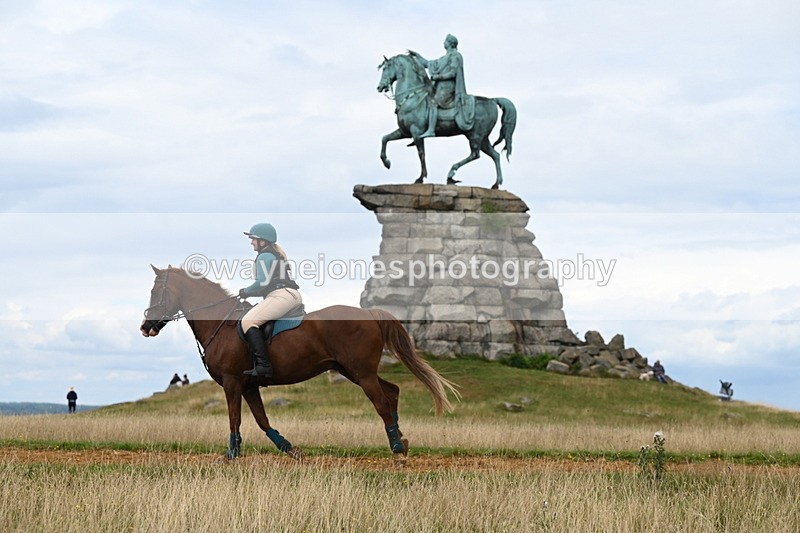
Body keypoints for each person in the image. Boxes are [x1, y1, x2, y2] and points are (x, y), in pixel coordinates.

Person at [238, 223, 302, 378]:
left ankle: (264, 366)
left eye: (253, 239)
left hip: (281, 295)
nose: (251, 242)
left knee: (247, 322)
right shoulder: (273, 254)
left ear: (263, 241)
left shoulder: (265, 256)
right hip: (286, 294)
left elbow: (262, 283)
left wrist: (245, 292)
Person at [408, 34, 475, 137]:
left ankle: (431, 130)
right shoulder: (444, 58)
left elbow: (453, 73)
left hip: (448, 88)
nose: (443, 43)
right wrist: (417, 56)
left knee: (433, 102)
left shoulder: (455, 56)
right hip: (440, 87)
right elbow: (427, 64)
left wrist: (438, 77)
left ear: (450, 43)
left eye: (445, 41)